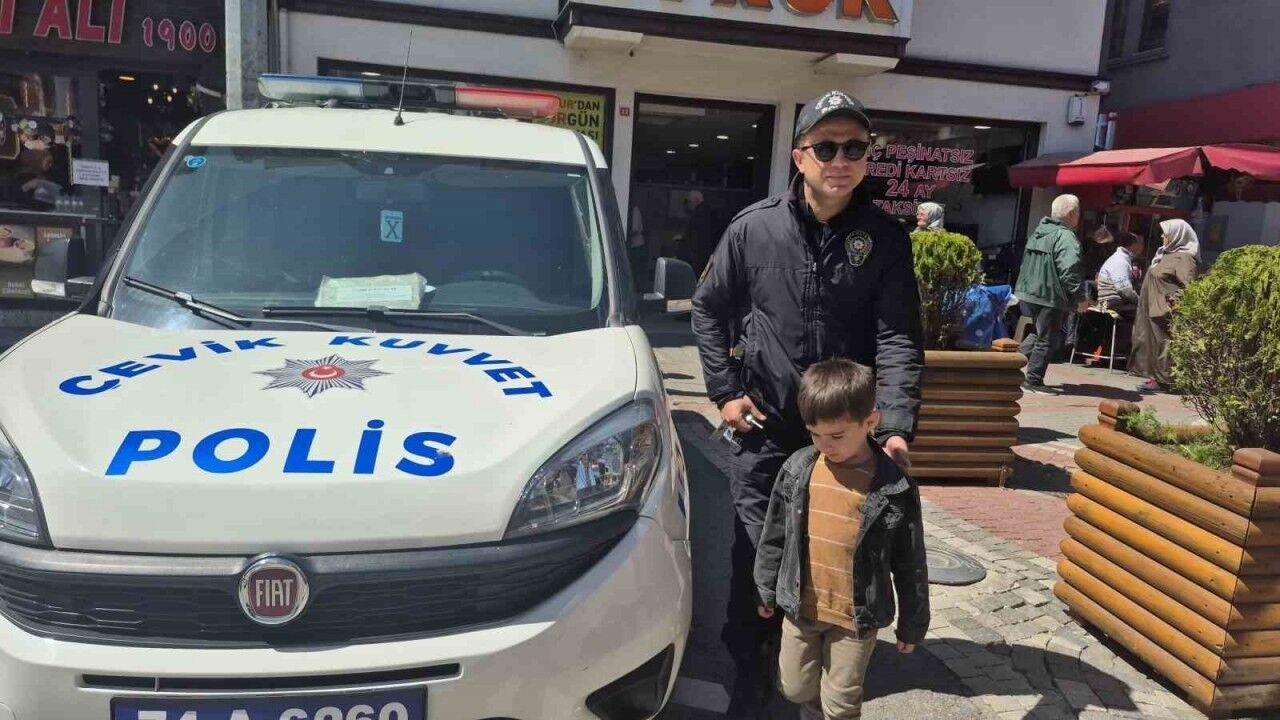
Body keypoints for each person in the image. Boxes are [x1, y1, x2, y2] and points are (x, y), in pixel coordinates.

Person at [692, 89, 923, 714]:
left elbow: (899, 337)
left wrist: (894, 424)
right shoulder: (754, 228)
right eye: (826, 148)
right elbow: (707, 309)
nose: (840, 160)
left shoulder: (885, 239)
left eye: (854, 148)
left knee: (835, 555)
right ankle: (752, 675)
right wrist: (725, 392)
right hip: (767, 432)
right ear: (799, 157)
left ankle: (818, 678)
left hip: (843, 438)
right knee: (757, 557)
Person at [755, 359, 929, 720]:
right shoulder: (797, 469)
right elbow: (775, 535)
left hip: (855, 619)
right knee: (795, 687)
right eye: (814, 434)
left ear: (870, 422)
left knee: (842, 702)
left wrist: (912, 624)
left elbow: (910, 561)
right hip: (802, 608)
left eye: (836, 436)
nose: (825, 445)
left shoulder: (894, 486)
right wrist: (766, 588)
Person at [1014, 194, 1089, 393]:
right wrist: (1080, 297)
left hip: (1029, 292)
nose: (1079, 216)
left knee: (1038, 333)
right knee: (1047, 338)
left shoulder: (1039, 231)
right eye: (1078, 212)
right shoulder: (1065, 236)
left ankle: (1007, 366)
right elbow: (1070, 270)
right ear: (1071, 213)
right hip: (1050, 295)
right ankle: (1033, 380)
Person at [1131, 219, 1200, 394]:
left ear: (1177, 235)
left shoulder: (1184, 258)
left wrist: (1170, 304)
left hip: (1163, 312)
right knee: (1151, 344)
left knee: (1163, 345)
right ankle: (1154, 377)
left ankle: (1165, 381)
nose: (1162, 236)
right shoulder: (1165, 254)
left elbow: (1189, 287)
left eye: (1166, 233)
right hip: (1151, 308)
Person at [1097, 231, 1144, 319]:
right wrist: (1142, 302)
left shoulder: (1122, 259)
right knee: (1146, 313)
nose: (1141, 247)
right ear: (1133, 245)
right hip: (1112, 304)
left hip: (1112, 303)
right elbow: (1125, 291)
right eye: (1139, 244)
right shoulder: (1120, 261)